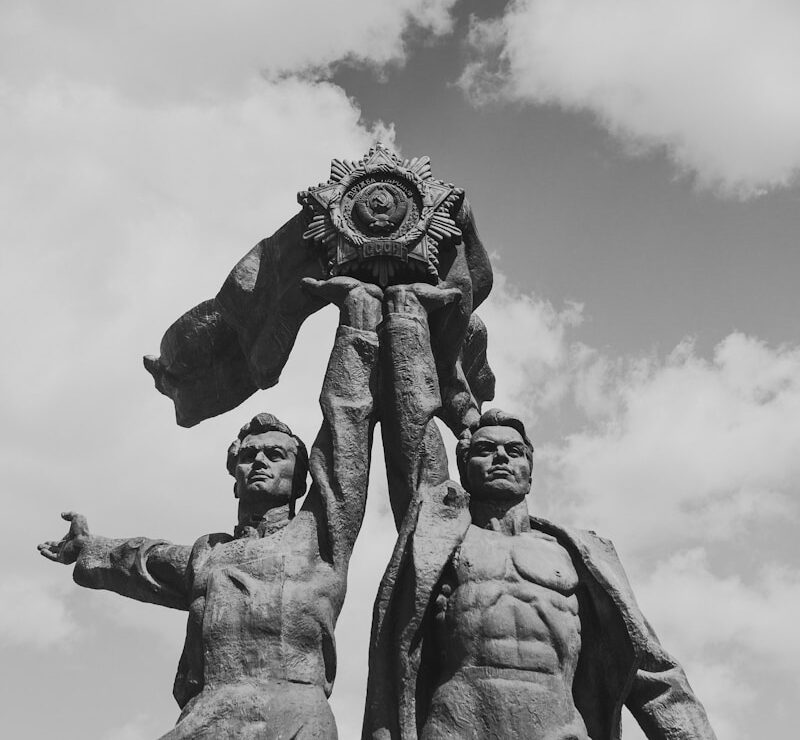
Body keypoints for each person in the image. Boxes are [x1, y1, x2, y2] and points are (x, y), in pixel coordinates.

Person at [39, 277, 388, 739]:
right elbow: (141, 558)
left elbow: (346, 423)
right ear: (234, 476)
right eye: (248, 455)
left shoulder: (320, 536)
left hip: (294, 713)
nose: (260, 461)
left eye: (275, 454)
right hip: (212, 712)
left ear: (302, 478)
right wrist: (89, 546)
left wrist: (358, 326)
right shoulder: (208, 554)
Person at [364, 408, 718, 734]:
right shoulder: (438, 537)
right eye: (485, 449)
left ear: (529, 475)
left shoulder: (578, 554)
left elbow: (649, 668)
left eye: (514, 451)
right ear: (465, 470)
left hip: (557, 725)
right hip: (459, 722)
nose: (500, 456)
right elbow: (410, 418)